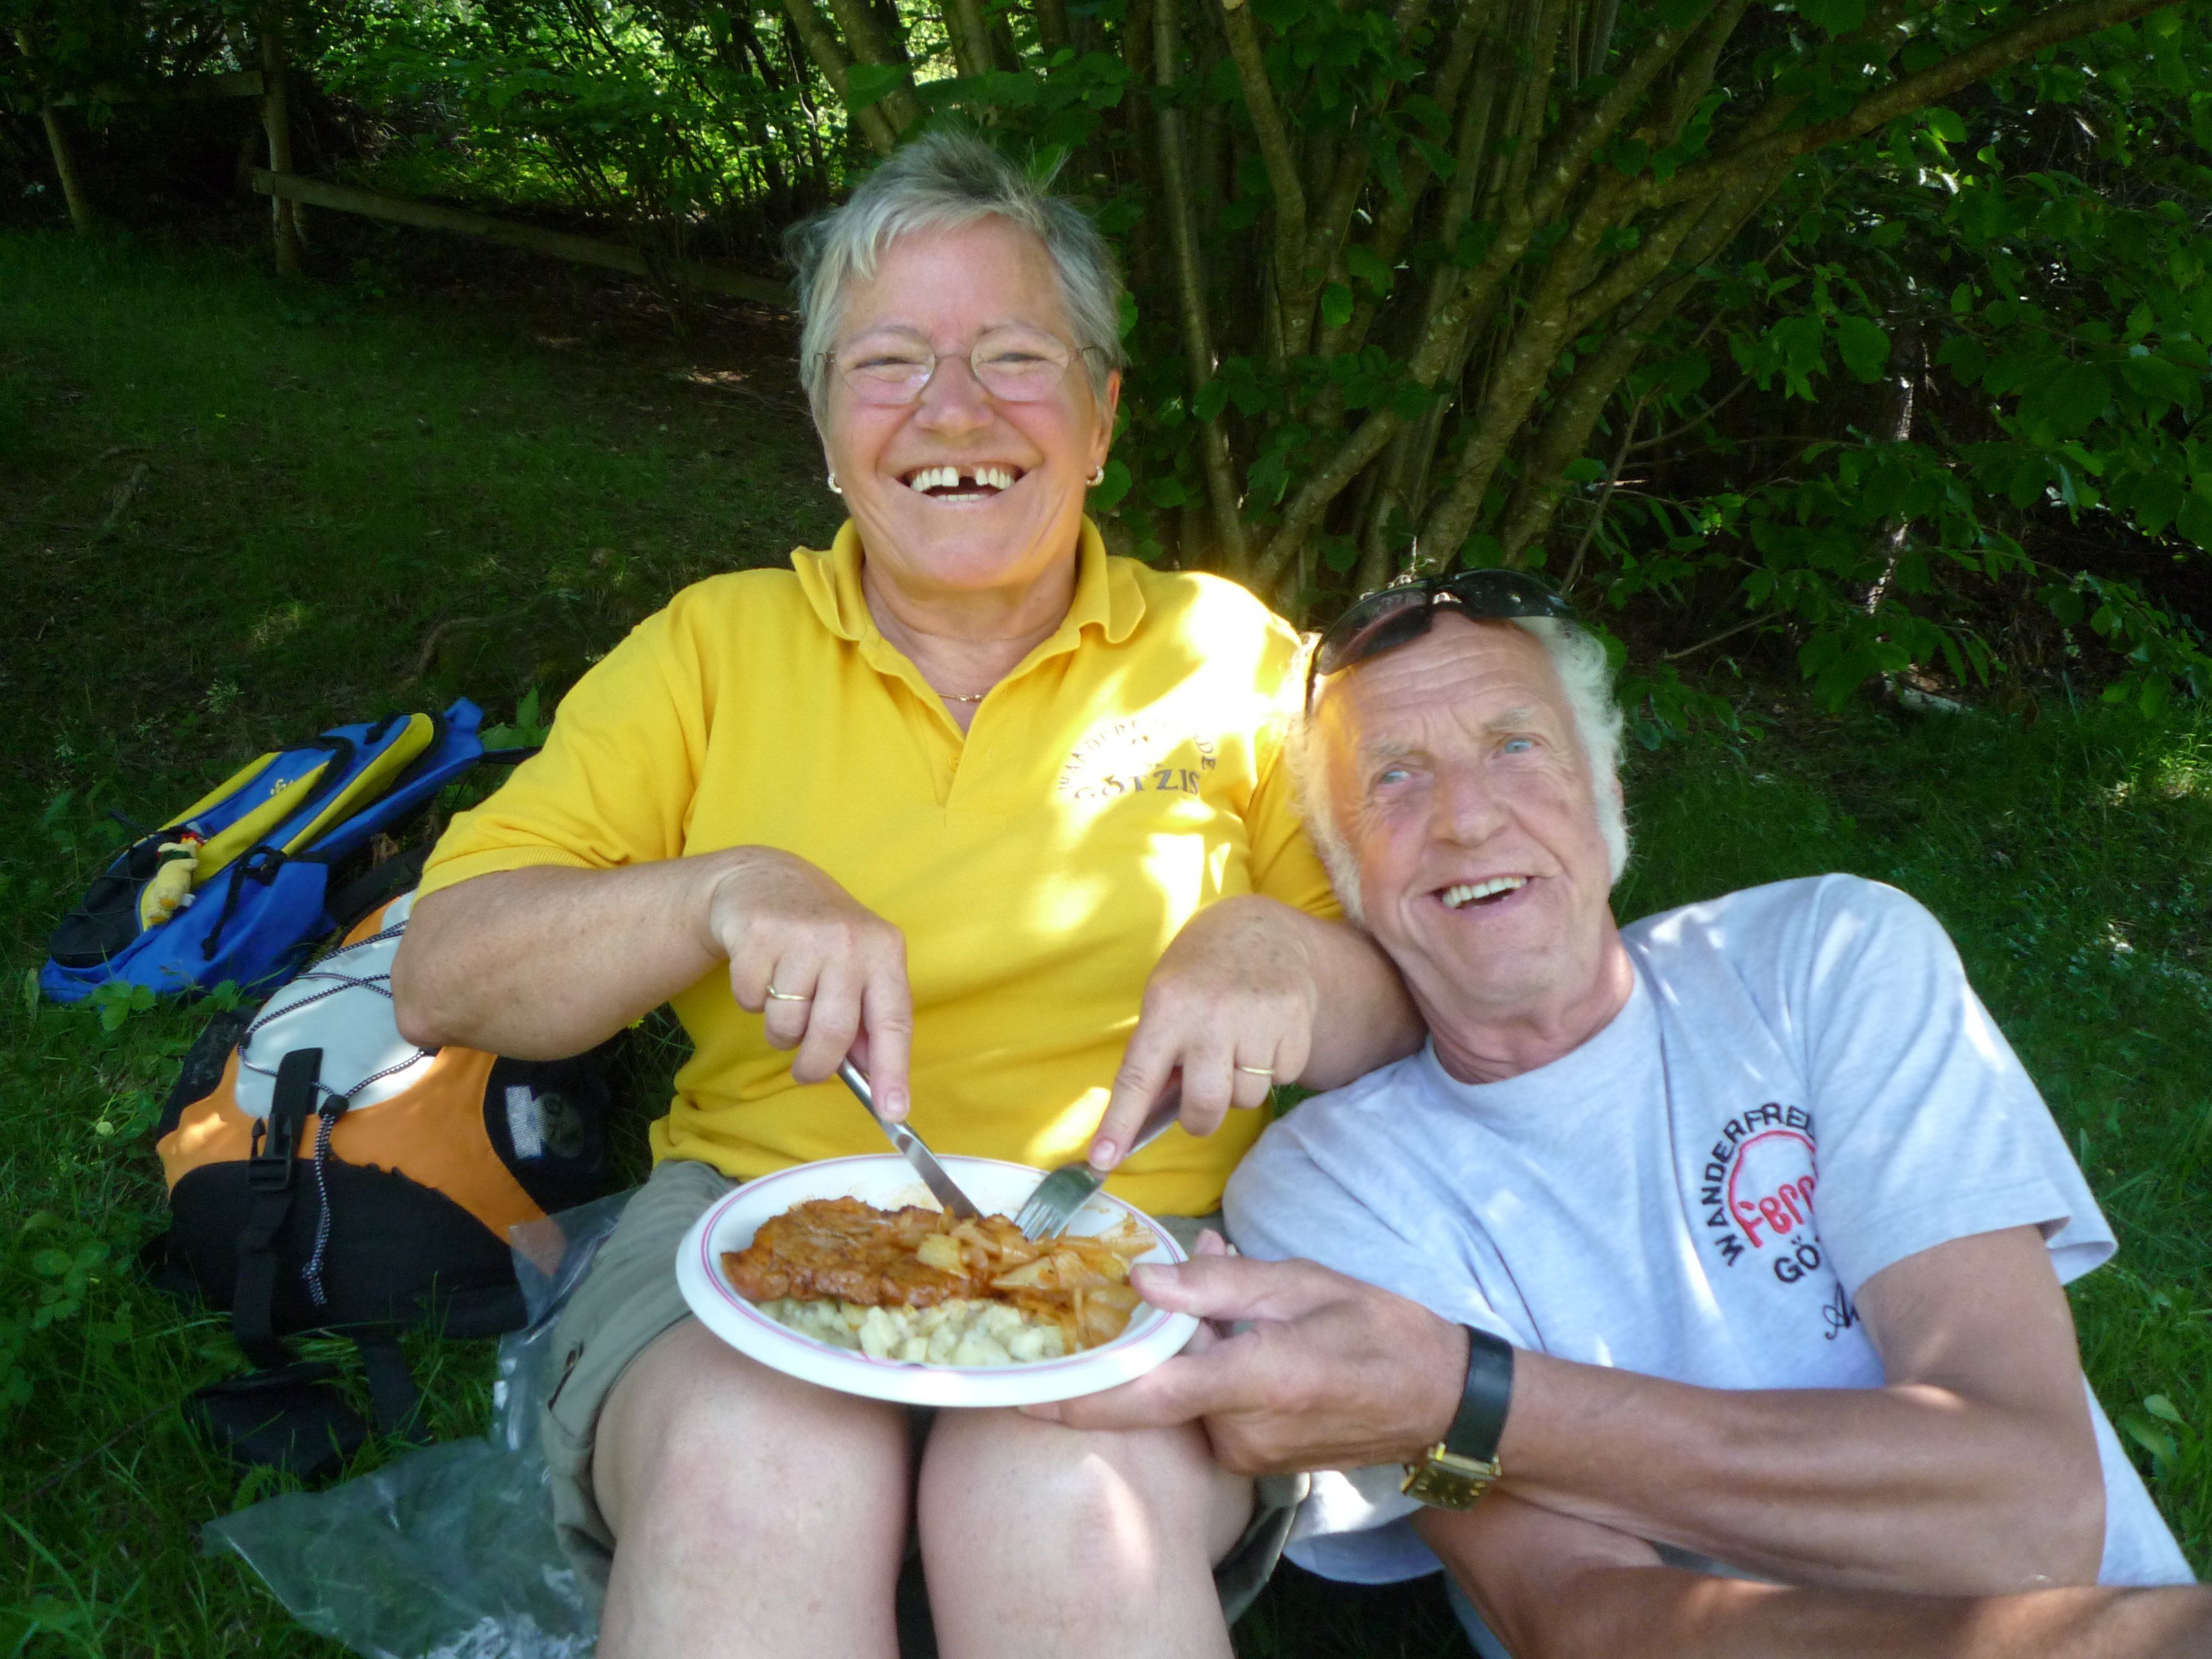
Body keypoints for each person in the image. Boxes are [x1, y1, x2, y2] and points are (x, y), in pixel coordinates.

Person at [388, 133, 1418, 1659]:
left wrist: (1281, 947)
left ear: (1100, 418)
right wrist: (721, 892)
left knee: (1060, 1503)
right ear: (824, 427)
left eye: (1015, 357)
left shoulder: (1235, 660)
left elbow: (1414, 1020)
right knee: (763, 1476)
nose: (953, 409)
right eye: (888, 364)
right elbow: (444, 973)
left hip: (1141, 1251)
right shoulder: (711, 652)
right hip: (750, 1230)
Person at [1040, 574, 2210, 1657]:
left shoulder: (1828, 956)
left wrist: (1466, 1397)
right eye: (1394, 777)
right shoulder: (1322, 1197)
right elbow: (1578, 1617)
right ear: (1346, 876)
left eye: (1516, 746)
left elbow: (2031, 1513)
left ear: (1606, 800)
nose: (1467, 819)